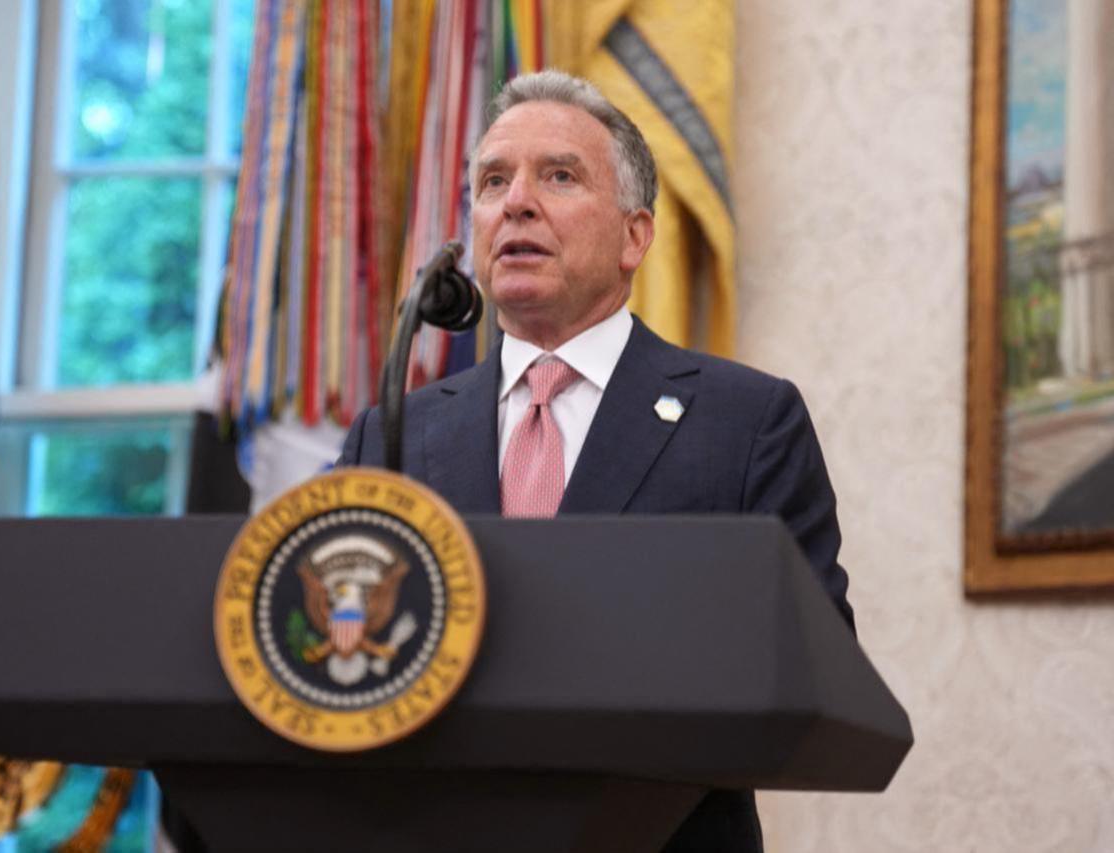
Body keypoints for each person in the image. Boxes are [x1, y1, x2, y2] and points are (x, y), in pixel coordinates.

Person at [339, 69, 852, 852]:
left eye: (559, 176)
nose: (516, 202)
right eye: (493, 181)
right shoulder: (395, 435)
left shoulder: (746, 422)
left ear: (634, 236)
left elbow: (814, 667)